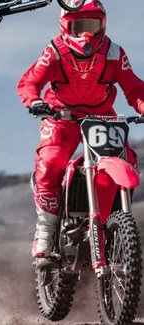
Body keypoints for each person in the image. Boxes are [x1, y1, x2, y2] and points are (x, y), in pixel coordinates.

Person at [16, 0, 144, 265]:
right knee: (51, 162)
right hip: (60, 115)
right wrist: (35, 101)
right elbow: (30, 81)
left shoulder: (114, 53)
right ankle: (46, 230)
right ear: (66, 26)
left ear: (103, 24)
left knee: (127, 161)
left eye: (92, 25)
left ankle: (109, 222)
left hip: (101, 116)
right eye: (79, 26)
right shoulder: (54, 51)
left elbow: (135, 89)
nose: (86, 34)